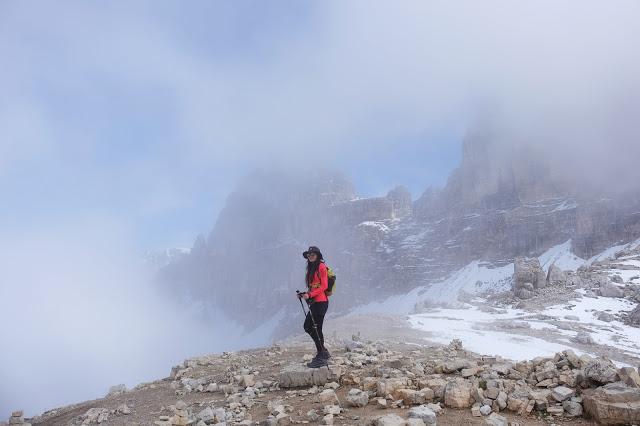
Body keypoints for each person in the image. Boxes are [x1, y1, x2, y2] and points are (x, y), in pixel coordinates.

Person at [298, 246, 331, 368]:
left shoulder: (321, 267)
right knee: (312, 327)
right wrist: (304, 294)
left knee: (313, 327)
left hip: (321, 302)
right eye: (308, 255)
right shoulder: (312, 268)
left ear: (317, 255)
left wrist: (310, 294)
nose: (310, 256)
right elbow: (314, 287)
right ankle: (322, 352)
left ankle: (321, 354)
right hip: (316, 302)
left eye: (312, 254)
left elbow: (323, 286)